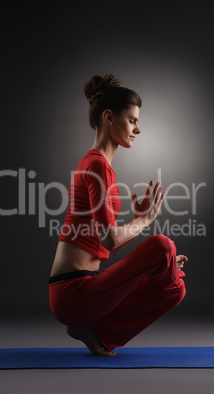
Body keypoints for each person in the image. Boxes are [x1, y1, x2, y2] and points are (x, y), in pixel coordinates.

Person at [49, 74, 188, 356]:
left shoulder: (99, 165)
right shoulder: (97, 165)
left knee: (176, 288)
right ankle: (94, 328)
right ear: (109, 117)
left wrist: (152, 259)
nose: (138, 129)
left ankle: (92, 328)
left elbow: (104, 245)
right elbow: (111, 240)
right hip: (72, 294)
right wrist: (145, 220)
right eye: (133, 120)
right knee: (164, 246)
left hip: (84, 288)